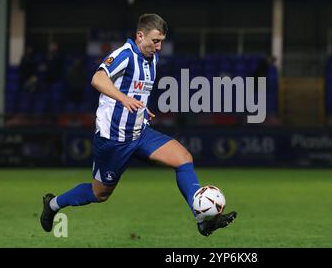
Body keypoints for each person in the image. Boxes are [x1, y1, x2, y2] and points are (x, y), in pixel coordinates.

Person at [40, 14, 237, 236]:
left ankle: (202, 219)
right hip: (113, 140)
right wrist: (123, 98)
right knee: (99, 194)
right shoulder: (124, 55)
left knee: (183, 159)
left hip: (140, 133)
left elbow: (137, 91)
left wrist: (142, 110)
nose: (159, 46)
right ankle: (53, 204)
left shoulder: (151, 59)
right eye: (155, 40)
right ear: (140, 35)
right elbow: (98, 79)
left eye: (162, 41)